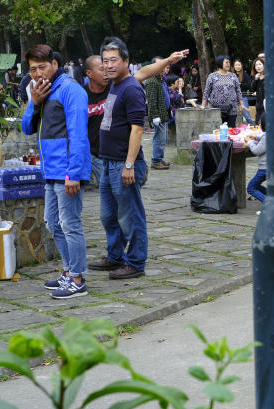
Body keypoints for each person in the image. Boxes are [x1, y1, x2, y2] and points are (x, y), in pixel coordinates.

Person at [89, 38, 186, 279]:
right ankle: (115, 256)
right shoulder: (119, 82)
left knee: (130, 215)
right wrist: (169, 59)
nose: (109, 65)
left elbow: (137, 129)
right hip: (109, 160)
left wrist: (130, 165)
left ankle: (135, 262)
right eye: (105, 61)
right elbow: (145, 71)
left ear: (125, 62)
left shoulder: (130, 89)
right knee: (108, 215)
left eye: (114, 60)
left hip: (124, 162)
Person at [20, 44, 92, 299]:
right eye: (32, 69)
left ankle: (77, 278)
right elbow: (27, 128)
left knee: (70, 224)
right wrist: (34, 103)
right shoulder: (42, 92)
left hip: (67, 171)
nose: (37, 73)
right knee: (53, 223)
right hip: (50, 170)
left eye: (42, 67)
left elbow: (78, 135)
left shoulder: (71, 90)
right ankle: (69, 270)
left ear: (54, 65)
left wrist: (74, 174)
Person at [82, 55, 109, 190]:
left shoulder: (115, 89)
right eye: (101, 70)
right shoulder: (80, 95)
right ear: (89, 73)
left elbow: (141, 75)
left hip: (109, 154)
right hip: (87, 152)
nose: (106, 73)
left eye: (107, 69)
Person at [143, 56, 172, 169]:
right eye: (159, 65)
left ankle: (159, 158)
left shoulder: (160, 79)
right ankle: (156, 161)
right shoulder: (151, 81)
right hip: (158, 115)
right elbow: (152, 101)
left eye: (163, 65)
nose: (162, 68)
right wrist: (155, 116)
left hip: (164, 113)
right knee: (159, 138)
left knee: (163, 138)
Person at [201, 55, 246, 127]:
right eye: (226, 62)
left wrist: (242, 104)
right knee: (218, 132)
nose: (228, 64)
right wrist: (203, 105)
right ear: (220, 63)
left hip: (232, 109)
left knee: (231, 130)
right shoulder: (212, 76)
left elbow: (238, 91)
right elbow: (207, 92)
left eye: (229, 62)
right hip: (216, 110)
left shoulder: (233, 76)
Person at [245, 112, 267, 204]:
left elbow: (257, 151)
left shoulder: (267, 137)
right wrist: (255, 137)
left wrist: (250, 142)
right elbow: (263, 139)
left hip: (265, 169)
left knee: (251, 188)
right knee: (256, 185)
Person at [233, 58, 254, 124]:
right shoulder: (231, 75)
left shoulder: (245, 75)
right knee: (234, 116)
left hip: (243, 96)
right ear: (233, 66)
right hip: (233, 98)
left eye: (239, 65)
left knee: (247, 115)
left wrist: (241, 84)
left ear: (241, 66)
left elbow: (249, 86)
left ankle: (253, 126)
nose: (237, 66)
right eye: (236, 65)